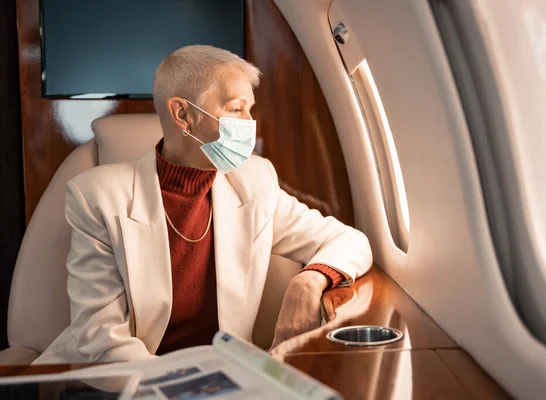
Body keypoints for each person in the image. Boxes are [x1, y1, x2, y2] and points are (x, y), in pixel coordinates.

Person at [34, 45, 372, 364]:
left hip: (222, 378)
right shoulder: (96, 197)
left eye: (250, 110)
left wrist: (308, 281)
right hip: (124, 382)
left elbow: (350, 241)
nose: (248, 123)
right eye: (235, 109)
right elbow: (102, 341)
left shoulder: (254, 182)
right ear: (182, 114)